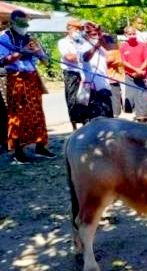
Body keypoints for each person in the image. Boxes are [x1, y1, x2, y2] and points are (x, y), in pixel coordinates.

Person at [0, 10, 55, 163]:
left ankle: (40, 146)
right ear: (12, 22)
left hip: (32, 79)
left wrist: (39, 53)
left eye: (26, 23)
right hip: (16, 79)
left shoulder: (30, 38)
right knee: (18, 115)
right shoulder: (4, 38)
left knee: (37, 114)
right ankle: (18, 150)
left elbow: (45, 62)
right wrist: (22, 52)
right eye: (21, 23)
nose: (24, 26)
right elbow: (4, 60)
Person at [79, 22, 114, 120]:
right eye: (94, 34)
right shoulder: (83, 46)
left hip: (104, 86)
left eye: (98, 34)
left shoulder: (101, 46)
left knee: (108, 118)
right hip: (92, 89)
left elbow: (112, 47)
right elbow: (85, 58)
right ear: (86, 36)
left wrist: (102, 37)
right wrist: (96, 46)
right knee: (95, 119)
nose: (97, 36)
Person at [57, 18, 85, 130]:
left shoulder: (82, 42)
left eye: (79, 29)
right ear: (69, 29)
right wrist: (83, 57)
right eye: (76, 28)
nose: (78, 31)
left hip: (83, 72)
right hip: (71, 73)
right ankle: (74, 127)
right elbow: (69, 58)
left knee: (85, 99)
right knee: (72, 99)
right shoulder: (63, 42)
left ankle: (85, 124)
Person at [120, 25, 147, 122]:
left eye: (134, 34)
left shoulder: (142, 45)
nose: (132, 36)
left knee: (142, 97)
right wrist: (135, 70)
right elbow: (124, 62)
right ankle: (136, 114)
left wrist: (140, 70)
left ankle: (143, 118)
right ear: (125, 35)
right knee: (131, 97)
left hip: (141, 75)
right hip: (130, 76)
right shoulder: (123, 47)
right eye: (130, 34)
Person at [104, 35, 124, 118]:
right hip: (103, 79)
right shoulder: (101, 51)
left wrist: (111, 62)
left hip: (113, 78)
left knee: (115, 97)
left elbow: (120, 62)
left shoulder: (115, 51)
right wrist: (106, 61)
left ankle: (116, 115)